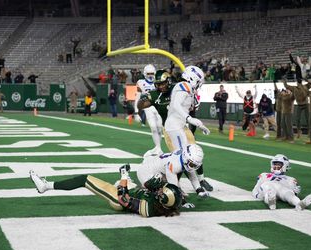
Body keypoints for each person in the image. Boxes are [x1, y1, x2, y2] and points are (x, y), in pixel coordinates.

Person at [29, 164, 182, 218]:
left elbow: (124, 200)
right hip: (131, 192)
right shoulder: (165, 203)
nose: (161, 189)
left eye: (162, 191)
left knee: (84, 179)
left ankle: (45, 186)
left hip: (119, 200)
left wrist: (123, 176)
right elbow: (151, 191)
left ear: (162, 200)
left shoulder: (149, 207)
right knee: (121, 182)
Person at [164, 66, 211, 196]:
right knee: (183, 159)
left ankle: (197, 188)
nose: (199, 85)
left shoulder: (188, 88)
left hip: (179, 126)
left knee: (186, 159)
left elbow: (185, 107)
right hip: (174, 126)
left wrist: (200, 125)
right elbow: (176, 105)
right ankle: (175, 190)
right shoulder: (184, 85)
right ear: (194, 78)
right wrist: (189, 119)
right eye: (199, 81)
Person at [135, 64, 163, 155]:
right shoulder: (140, 82)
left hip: (158, 107)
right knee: (153, 128)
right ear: (145, 73)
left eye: (152, 73)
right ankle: (158, 148)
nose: (150, 75)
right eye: (148, 73)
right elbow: (137, 97)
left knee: (159, 128)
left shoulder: (159, 81)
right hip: (148, 108)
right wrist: (136, 112)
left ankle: (158, 147)